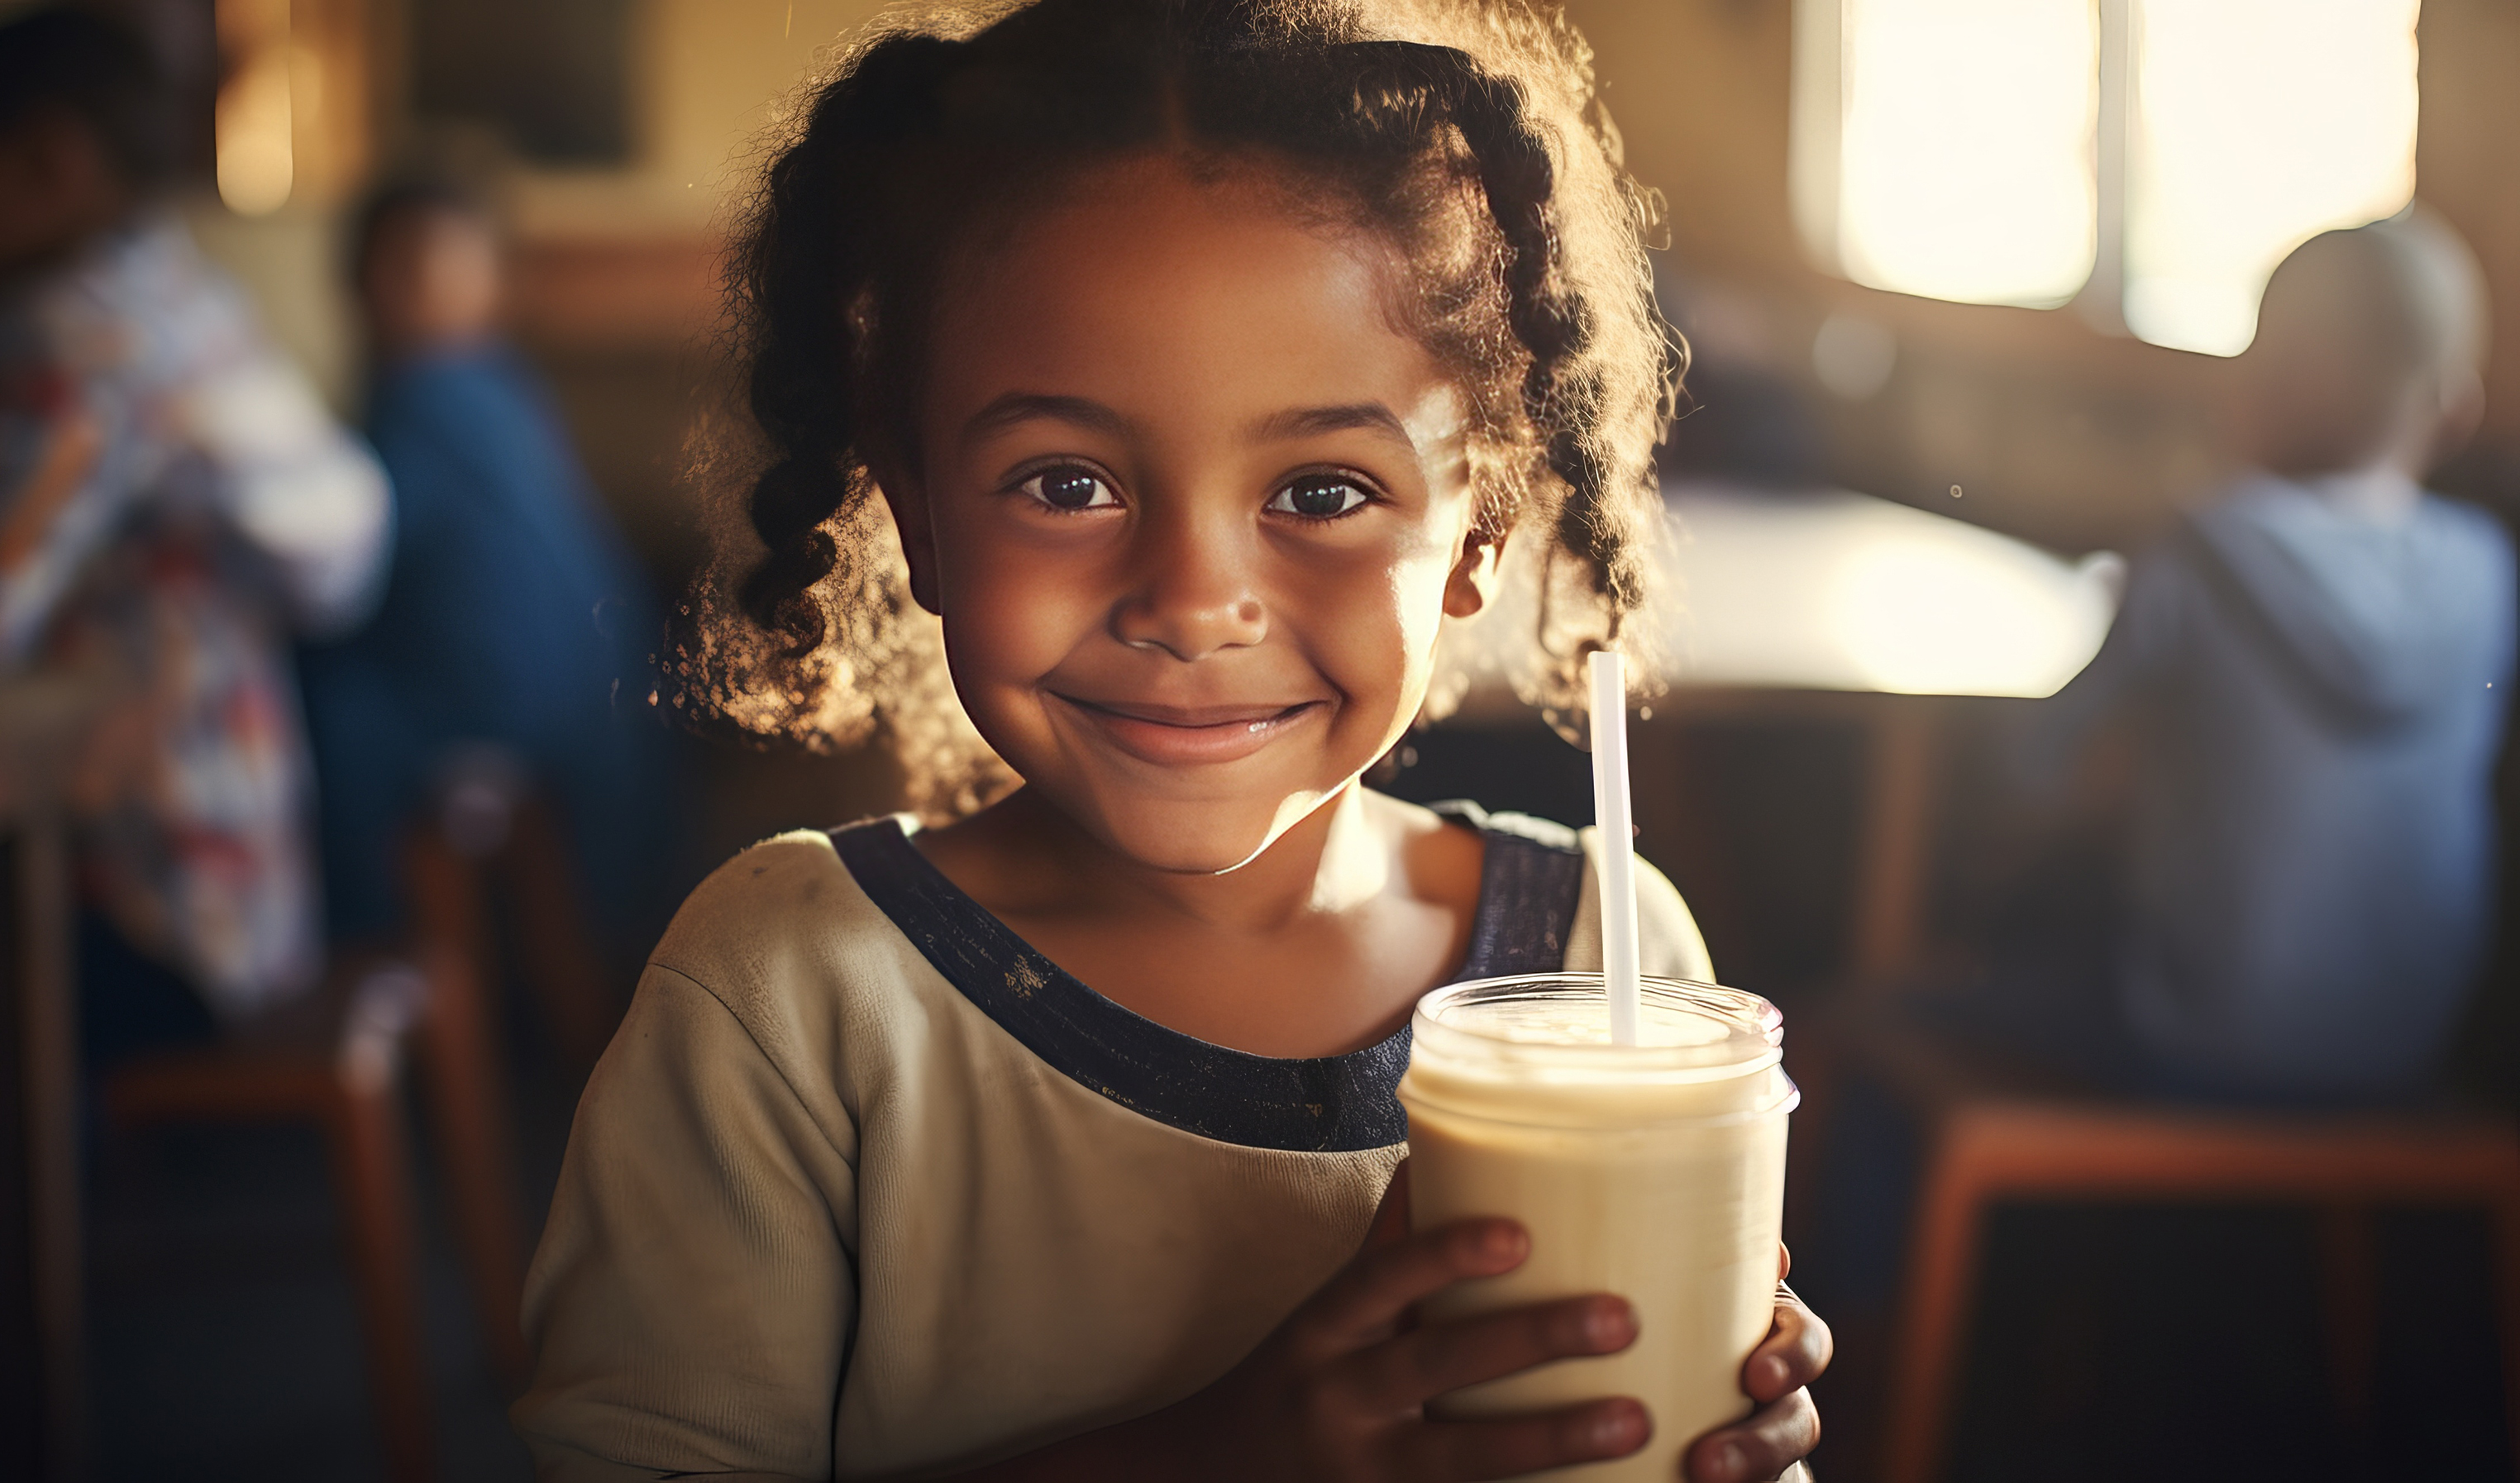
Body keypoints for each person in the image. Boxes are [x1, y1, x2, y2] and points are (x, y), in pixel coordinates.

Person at [513, 2, 1831, 1481]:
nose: (1196, 604)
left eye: (1323, 490)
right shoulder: (793, 998)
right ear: (921, 512)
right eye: (1067, 481)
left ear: (1483, 536)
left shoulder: (1613, 958)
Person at [0, 10, 389, 1036]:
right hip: (239, 891)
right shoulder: (179, 297)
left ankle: (13, 1195)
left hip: (134, 904)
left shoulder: (62, 344)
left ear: (50, 162)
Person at [2022, 209, 2512, 1103]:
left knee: (1857, 1032)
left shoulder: (2201, 547)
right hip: (2410, 1054)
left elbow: (2028, 772)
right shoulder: (2488, 571)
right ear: (2454, 410)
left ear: (2255, 375)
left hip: (2191, 1041)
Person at [296, 179, 666, 957]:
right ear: (357, 280)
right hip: (590, 687)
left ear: (494, 285)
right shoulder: (503, 391)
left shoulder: (431, 400)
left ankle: (361, 959)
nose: (415, 288)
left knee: (317, 708)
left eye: (441, 266)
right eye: (396, 265)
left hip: (500, 694)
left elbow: (356, 564)